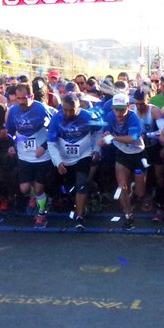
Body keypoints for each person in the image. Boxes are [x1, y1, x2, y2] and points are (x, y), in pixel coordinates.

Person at [47, 91, 102, 231]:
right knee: (71, 187)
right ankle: (90, 197)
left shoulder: (88, 116)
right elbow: (51, 143)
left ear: (78, 107)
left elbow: (98, 131)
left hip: (83, 155)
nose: (68, 113)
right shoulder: (56, 119)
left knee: (81, 183)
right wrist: (58, 162)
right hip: (64, 158)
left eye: (72, 110)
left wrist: (96, 149)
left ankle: (79, 217)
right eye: (65, 110)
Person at [6, 82, 54, 228]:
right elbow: (9, 132)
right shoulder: (13, 111)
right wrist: (11, 145)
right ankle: (39, 198)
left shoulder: (41, 109)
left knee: (39, 188)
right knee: (24, 188)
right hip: (24, 155)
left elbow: (53, 130)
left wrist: (44, 146)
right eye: (18, 98)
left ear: (31, 96)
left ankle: (41, 214)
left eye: (24, 98)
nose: (21, 102)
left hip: (41, 155)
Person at [104, 92, 146, 230]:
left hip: (138, 154)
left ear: (128, 107)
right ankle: (128, 216)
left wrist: (114, 138)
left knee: (140, 192)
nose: (119, 113)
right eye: (116, 109)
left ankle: (134, 188)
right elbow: (106, 133)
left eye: (122, 109)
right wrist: (105, 136)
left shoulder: (134, 118)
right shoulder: (110, 117)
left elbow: (132, 138)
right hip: (122, 153)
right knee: (121, 186)